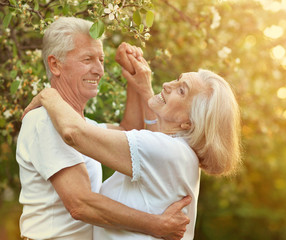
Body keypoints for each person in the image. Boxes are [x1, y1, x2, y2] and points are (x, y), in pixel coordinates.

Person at [23, 49, 242, 239]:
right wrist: (142, 86)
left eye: (181, 90)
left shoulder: (169, 152)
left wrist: (48, 95)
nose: (167, 84)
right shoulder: (175, 151)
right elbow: (133, 134)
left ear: (189, 121)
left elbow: (73, 132)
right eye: (177, 79)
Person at [16, 16, 191, 240]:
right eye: (88, 59)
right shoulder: (46, 120)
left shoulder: (84, 126)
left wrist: (133, 79)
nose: (99, 69)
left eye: (101, 59)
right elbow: (80, 203)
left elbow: (131, 131)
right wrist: (155, 225)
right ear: (55, 64)